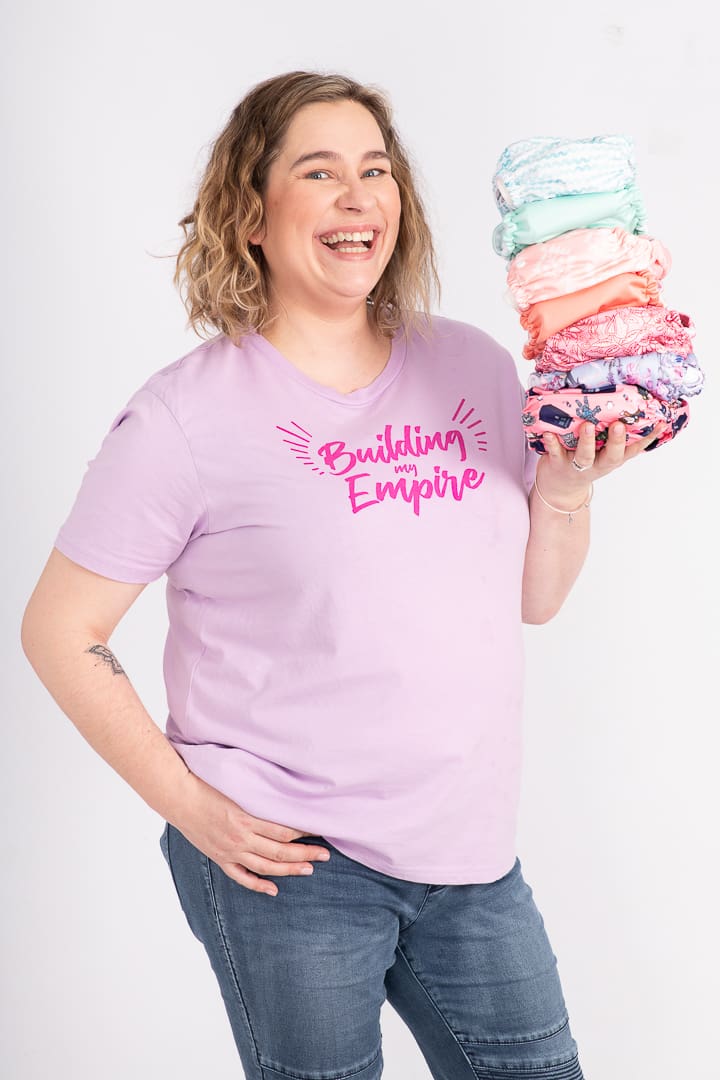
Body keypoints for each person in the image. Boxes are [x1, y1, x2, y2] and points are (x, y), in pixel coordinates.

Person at [20, 71, 658, 1080]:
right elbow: (60, 630)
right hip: (290, 864)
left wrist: (571, 487)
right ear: (253, 216)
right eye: (320, 171)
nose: (359, 196)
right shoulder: (185, 418)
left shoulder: (480, 367)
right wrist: (192, 809)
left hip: (471, 858)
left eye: (376, 171)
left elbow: (532, 602)